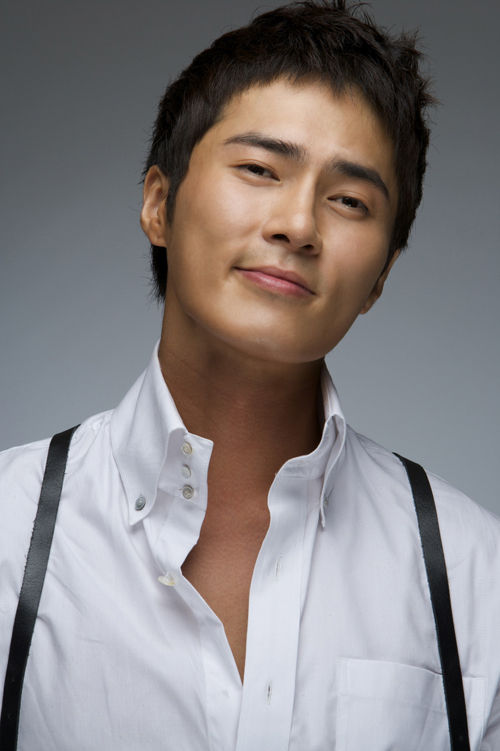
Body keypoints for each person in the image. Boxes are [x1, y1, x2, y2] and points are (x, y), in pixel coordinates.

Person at [1, 1, 499, 748]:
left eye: (350, 200)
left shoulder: (475, 574)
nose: (298, 225)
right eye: (260, 169)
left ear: (382, 275)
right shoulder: (9, 534)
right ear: (159, 204)